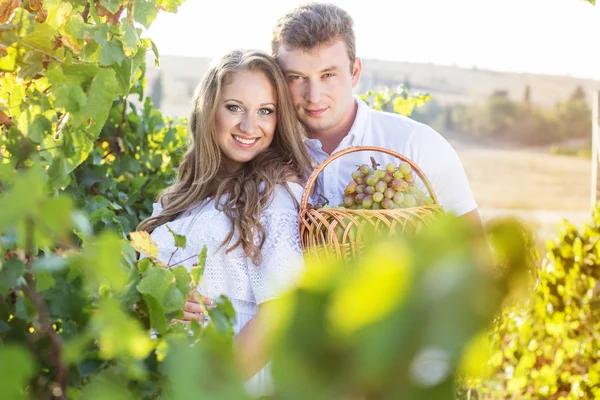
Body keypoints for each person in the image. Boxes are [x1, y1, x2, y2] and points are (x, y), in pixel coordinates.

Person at [137, 49, 314, 397]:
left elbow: (280, 312)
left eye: (265, 111)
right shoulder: (178, 198)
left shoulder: (272, 196)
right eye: (234, 108)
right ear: (209, 109)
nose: (249, 126)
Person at [271, 2, 483, 230]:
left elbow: (475, 254)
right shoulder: (266, 154)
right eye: (296, 77)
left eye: (328, 75)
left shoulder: (418, 145)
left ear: (355, 73)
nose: (313, 96)